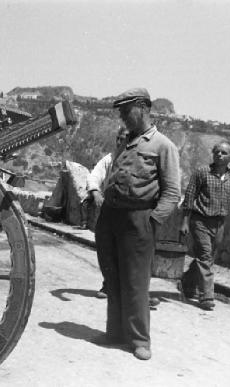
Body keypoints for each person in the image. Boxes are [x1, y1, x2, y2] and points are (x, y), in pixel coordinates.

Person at [93, 88, 180, 361]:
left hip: (138, 219)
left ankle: (140, 339)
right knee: (112, 276)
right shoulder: (126, 142)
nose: (122, 117)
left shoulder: (163, 145)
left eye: (125, 111)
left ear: (143, 108)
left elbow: (172, 193)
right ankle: (115, 332)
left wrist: (152, 222)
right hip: (110, 216)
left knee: (136, 282)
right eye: (119, 112)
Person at [178, 142, 230, 310]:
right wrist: (185, 221)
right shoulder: (201, 173)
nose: (219, 155)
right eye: (216, 152)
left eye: (223, 153)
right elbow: (189, 197)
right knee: (205, 256)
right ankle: (206, 297)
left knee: (207, 257)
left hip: (219, 224)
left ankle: (187, 282)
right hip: (200, 220)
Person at [85, 127, 129, 298]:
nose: (120, 142)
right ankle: (108, 285)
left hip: (129, 210)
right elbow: (94, 175)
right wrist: (95, 191)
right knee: (106, 248)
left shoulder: (137, 161)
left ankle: (134, 292)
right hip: (109, 209)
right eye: (118, 138)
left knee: (128, 251)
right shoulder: (109, 159)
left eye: (124, 138)